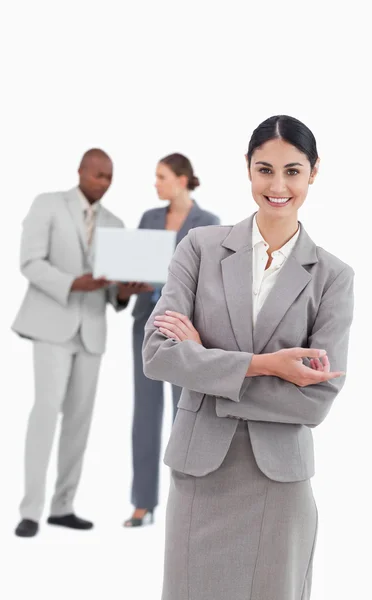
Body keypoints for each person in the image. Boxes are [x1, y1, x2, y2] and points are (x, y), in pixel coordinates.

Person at [142, 117, 354, 599]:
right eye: (265, 170)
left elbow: (314, 402)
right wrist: (267, 367)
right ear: (248, 170)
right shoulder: (199, 248)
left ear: (313, 174)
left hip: (278, 481)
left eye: (293, 171)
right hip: (201, 473)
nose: (278, 186)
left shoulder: (333, 277)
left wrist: (204, 361)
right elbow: (157, 355)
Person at [12, 149, 150, 537]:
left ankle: (63, 506)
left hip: (91, 331)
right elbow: (30, 263)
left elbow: (113, 296)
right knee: (45, 411)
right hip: (52, 324)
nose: (103, 182)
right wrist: (74, 282)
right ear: (81, 172)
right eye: (97, 175)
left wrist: (125, 291)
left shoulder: (116, 224)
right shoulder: (48, 205)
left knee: (79, 420)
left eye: (109, 177)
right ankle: (30, 510)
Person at [123, 153, 220, 528]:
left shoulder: (207, 224)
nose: (156, 183)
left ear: (181, 180)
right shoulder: (149, 218)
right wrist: (125, 285)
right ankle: (143, 503)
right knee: (145, 415)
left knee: (186, 414)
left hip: (184, 331)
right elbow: (131, 266)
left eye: (161, 177)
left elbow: (207, 285)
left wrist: (160, 283)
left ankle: (189, 499)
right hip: (144, 326)